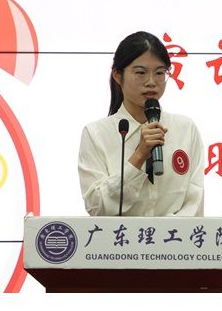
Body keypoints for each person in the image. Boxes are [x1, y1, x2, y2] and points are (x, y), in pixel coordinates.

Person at [78, 31, 204, 216]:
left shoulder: (185, 129)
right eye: (140, 73)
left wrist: (164, 232)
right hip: (121, 235)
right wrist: (139, 155)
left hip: (175, 235)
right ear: (117, 75)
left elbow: (194, 202)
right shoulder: (96, 134)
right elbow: (97, 207)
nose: (151, 82)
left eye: (160, 73)